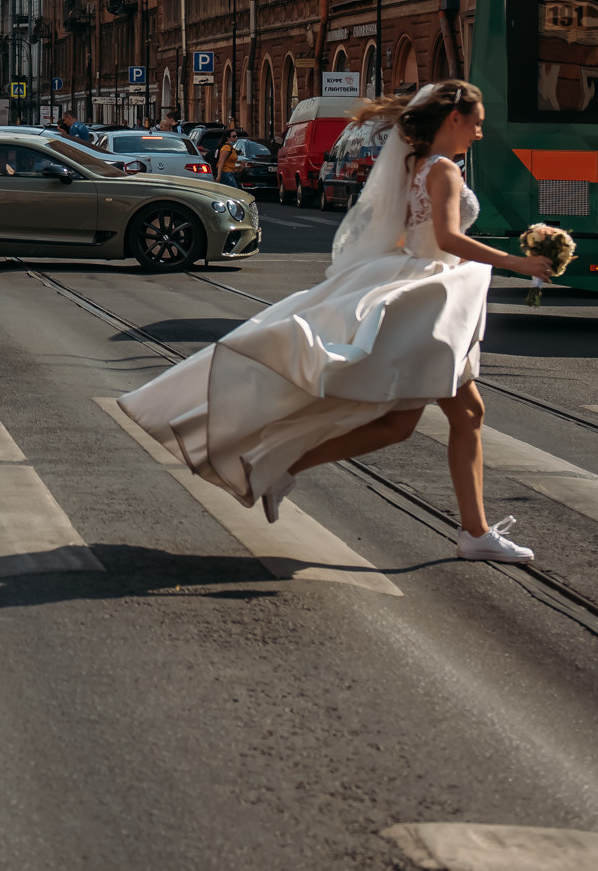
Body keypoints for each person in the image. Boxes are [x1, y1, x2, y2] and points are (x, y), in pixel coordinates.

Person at [116, 80, 549, 563]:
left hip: (428, 295)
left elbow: (410, 234)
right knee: (437, 418)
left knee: (425, 420)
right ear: (454, 118)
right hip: (430, 303)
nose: (480, 132)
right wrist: (516, 262)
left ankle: (467, 529)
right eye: (477, 123)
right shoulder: (443, 169)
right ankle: (471, 531)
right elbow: (446, 237)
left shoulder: (418, 164)